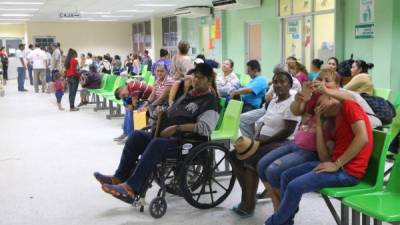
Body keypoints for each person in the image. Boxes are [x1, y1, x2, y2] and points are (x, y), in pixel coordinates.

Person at [94, 63, 219, 202]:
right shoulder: (188, 94)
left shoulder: (210, 100)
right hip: (167, 135)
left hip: (187, 143)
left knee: (157, 144)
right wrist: (162, 113)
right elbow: (174, 110)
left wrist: (177, 128)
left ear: (208, 80)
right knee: (136, 136)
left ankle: (131, 188)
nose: (195, 80)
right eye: (194, 76)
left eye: (200, 78)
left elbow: (205, 128)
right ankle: (118, 178)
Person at [263, 90, 373, 225]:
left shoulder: (349, 105)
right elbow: (324, 157)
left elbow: (363, 138)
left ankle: (272, 223)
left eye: (320, 103)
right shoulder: (333, 121)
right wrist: (319, 124)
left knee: (294, 186)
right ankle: (285, 222)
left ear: (331, 98)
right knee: (286, 176)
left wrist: (337, 164)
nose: (316, 108)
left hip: (349, 172)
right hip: (336, 166)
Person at [230, 71, 300, 217]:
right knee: (234, 156)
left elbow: (288, 130)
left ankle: (249, 204)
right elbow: (263, 120)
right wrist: (257, 134)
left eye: (282, 82)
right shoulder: (273, 101)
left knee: (250, 161)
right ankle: (247, 195)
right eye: (275, 82)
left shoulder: (292, 103)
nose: (278, 85)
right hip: (264, 140)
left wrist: (265, 141)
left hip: (282, 143)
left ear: (290, 85)